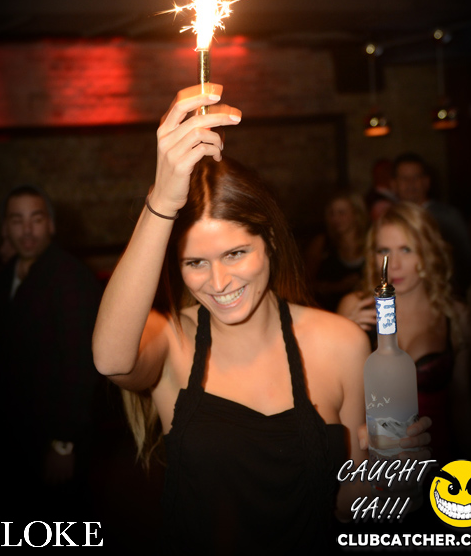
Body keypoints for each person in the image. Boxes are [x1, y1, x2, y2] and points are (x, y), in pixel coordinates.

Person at [92, 85, 430, 554]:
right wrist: (162, 202)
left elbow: (356, 504)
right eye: (195, 262)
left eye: (235, 253)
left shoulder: (341, 343)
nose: (219, 282)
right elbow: (111, 360)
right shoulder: (172, 340)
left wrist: (375, 494)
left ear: (268, 240)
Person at [0, 184, 103, 514]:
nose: (27, 230)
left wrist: (64, 443)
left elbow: (81, 365)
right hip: (13, 433)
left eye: (36, 219)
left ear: (50, 224)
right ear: (5, 228)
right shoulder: (3, 277)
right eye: (17, 220)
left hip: (56, 435)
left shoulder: (71, 277)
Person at [337, 201, 471, 465]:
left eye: (406, 249)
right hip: (377, 462)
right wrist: (342, 339)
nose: (394, 265)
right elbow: (338, 399)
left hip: (437, 461)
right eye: (384, 251)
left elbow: (460, 401)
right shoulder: (355, 308)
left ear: (428, 252)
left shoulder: (455, 315)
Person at [390, 152, 471, 296]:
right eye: (404, 178)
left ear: (426, 182)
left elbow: (464, 264)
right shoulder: (391, 221)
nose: (410, 183)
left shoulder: (446, 217)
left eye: (416, 177)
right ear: (394, 184)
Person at [304, 189, 369, 311]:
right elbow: (305, 284)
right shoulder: (322, 243)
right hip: (329, 313)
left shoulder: (371, 241)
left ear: (357, 214)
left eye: (341, 213)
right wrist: (337, 287)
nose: (335, 218)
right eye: (331, 213)